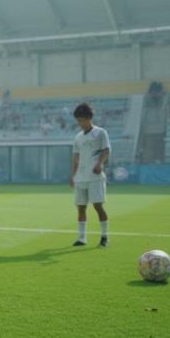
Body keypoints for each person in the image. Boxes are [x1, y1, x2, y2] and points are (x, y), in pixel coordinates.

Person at [70, 103, 111, 247]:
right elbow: (76, 157)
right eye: (78, 120)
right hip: (80, 177)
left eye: (81, 120)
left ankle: (104, 237)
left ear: (89, 118)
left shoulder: (100, 132)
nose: (79, 123)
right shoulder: (78, 137)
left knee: (98, 206)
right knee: (81, 207)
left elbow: (106, 151)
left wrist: (99, 163)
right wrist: (73, 175)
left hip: (95, 177)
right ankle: (82, 238)